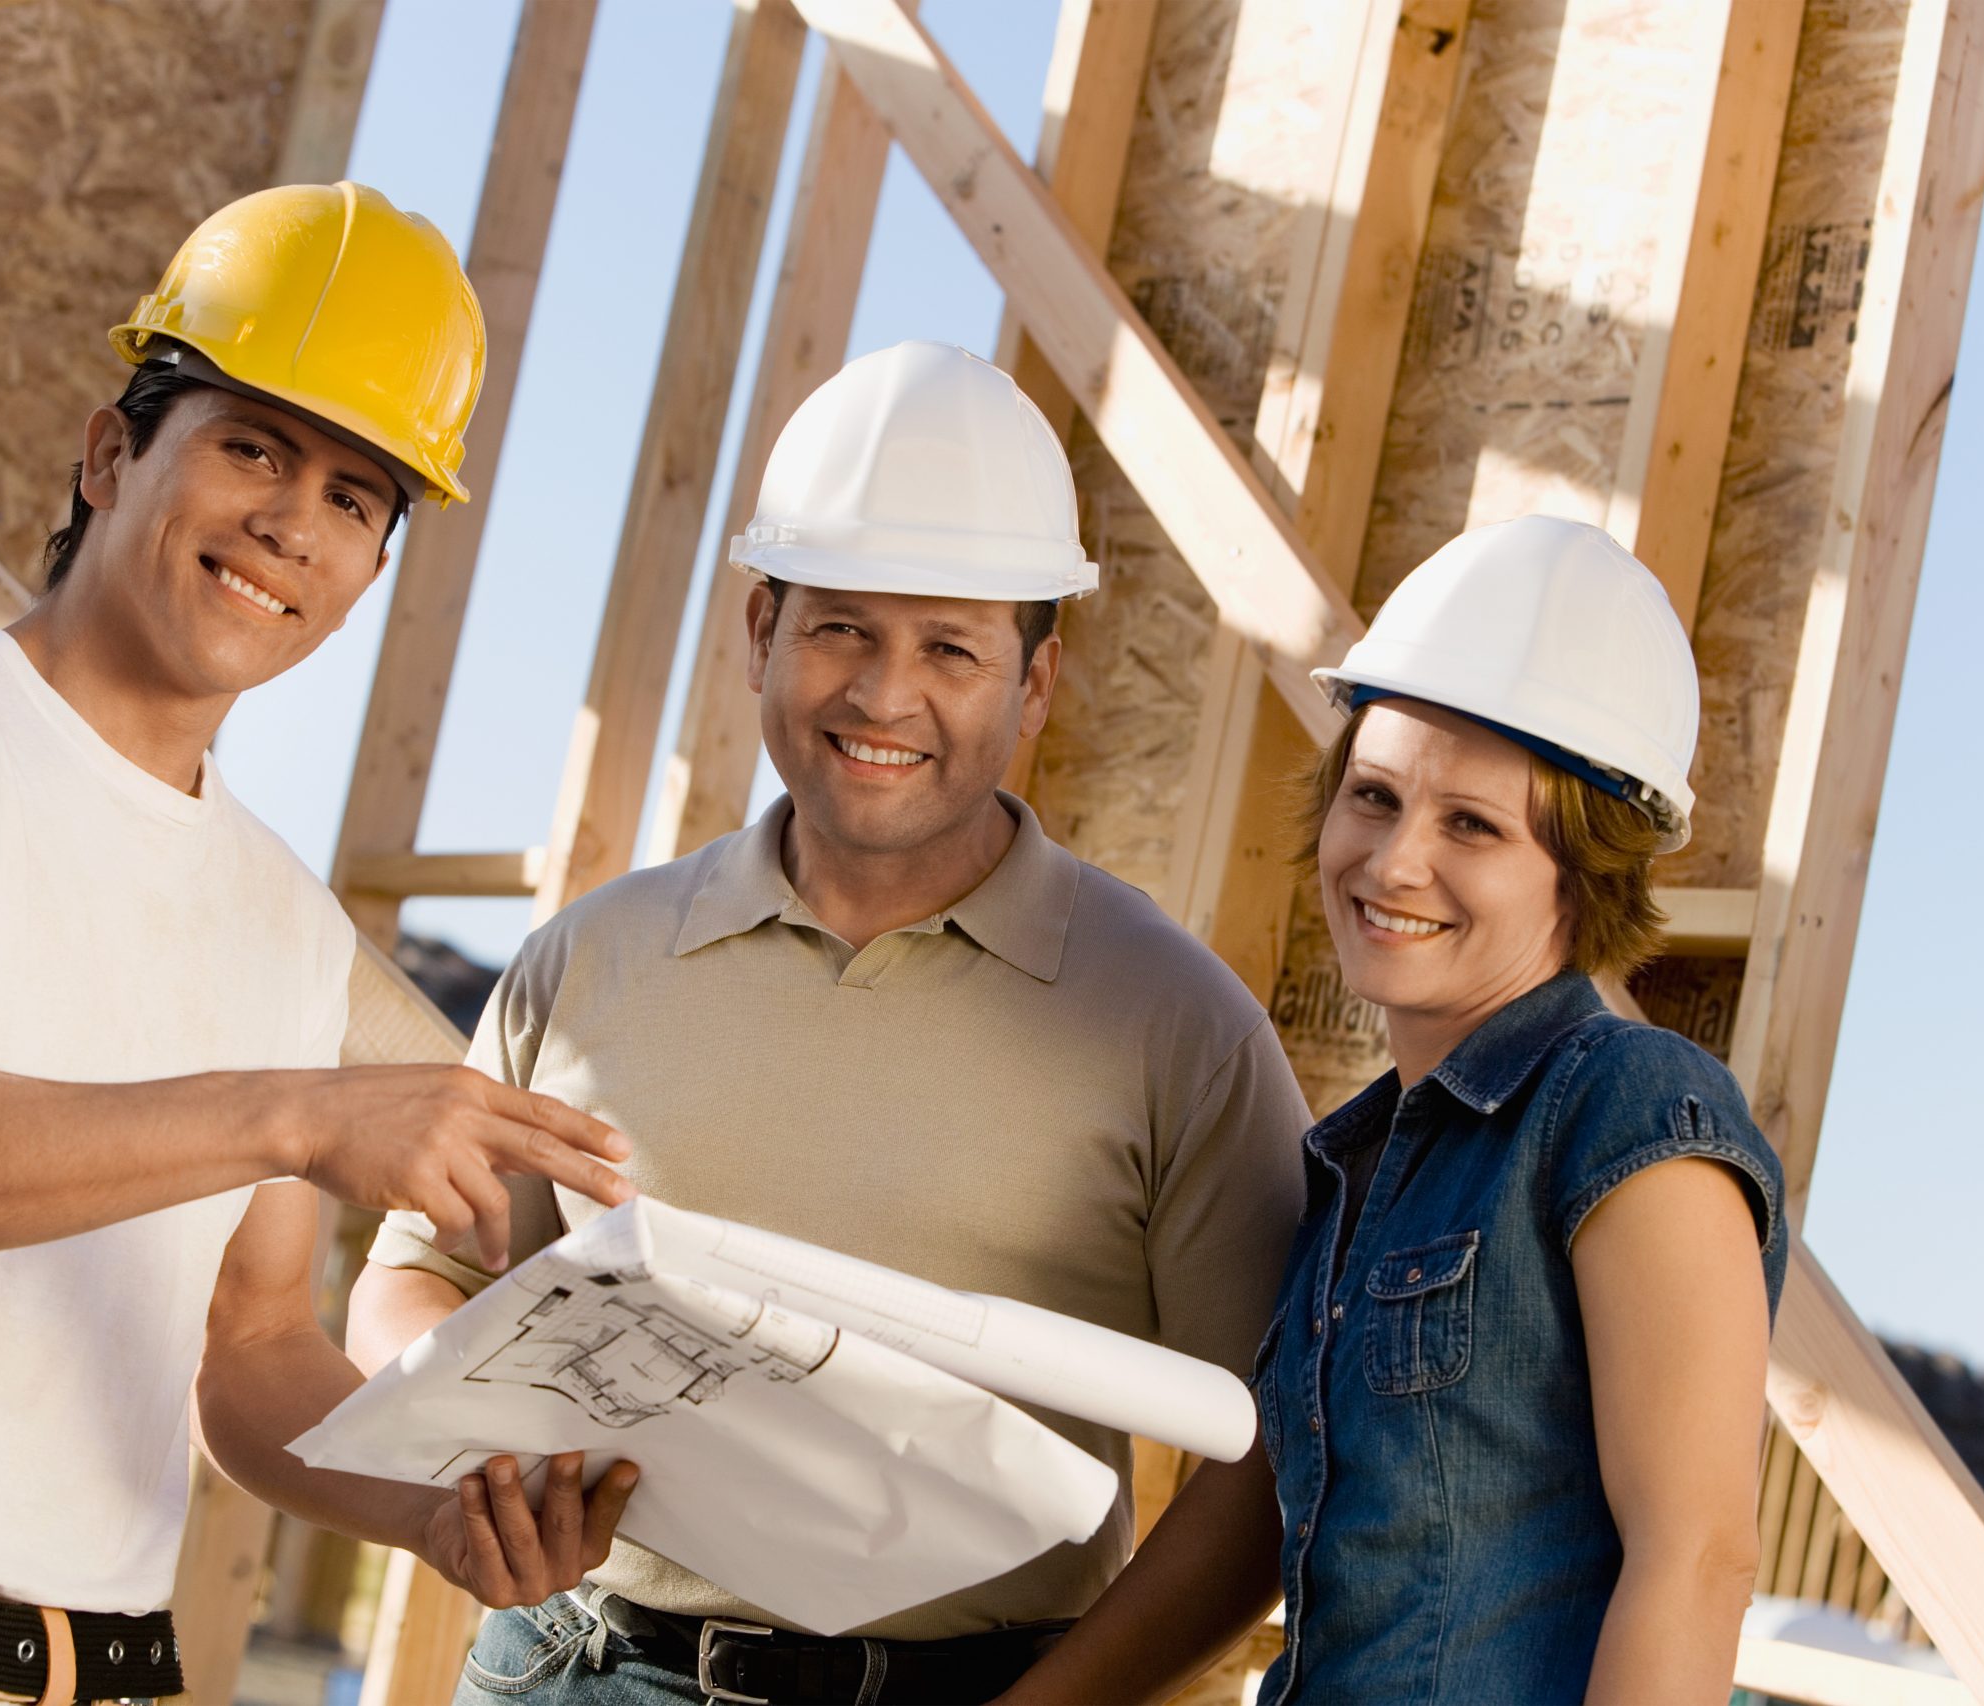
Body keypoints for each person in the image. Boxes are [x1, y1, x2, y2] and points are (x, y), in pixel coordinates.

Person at [0, 183, 643, 1706]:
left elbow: (249, 1346)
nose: (289, 522)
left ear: (373, 569)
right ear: (113, 449)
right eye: (252, 446)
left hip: (106, 1673)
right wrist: (299, 1110)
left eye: (352, 497)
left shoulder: (278, 917)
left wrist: (431, 1507)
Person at [345, 340, 1310, 1706]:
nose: (881, 694)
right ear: (762, 634)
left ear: (1034, 685)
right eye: (842, 626)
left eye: (952, 650)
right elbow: (413, 1284)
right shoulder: (595, 956)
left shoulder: (1172, 1022)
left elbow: (1271, 1464)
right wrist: (486, 1466)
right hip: (585, 1668)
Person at [1002, 515, 1788, 1705]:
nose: (1394, 859)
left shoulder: (1627, 1110)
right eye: (1372, 796)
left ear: (1582, 869)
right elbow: (1268, 1521)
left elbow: (1697, 1556)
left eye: (1470, 823)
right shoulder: (1361, 1163)